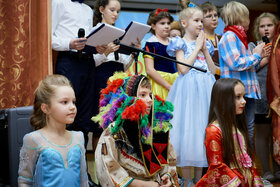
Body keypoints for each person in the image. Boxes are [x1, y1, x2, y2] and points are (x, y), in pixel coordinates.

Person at [93, 72, 179, 186]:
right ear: (128, 98)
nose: (149, 100)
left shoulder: (155, 129)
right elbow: (109, 170)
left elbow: (169, 162)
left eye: (150, 95)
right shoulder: (114, 132)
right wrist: (147, 185)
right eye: (143, 95)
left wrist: (166, 177)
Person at [166, 6, 217, 187]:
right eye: (196, 20)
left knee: (201, 132)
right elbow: (183, 69)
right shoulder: (179, 43)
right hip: (188, 93)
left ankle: (199, 179)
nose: (200, 24)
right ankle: (187, 180)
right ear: (184, 23)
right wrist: (196, 48)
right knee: (189, 132)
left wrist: (204, 50)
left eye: (201, 21)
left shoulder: (206, 45)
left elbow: (212, 70)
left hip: (206, 91)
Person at [18, 75, 88, 186]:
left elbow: (84, 180)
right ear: (45, 108)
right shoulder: (33, 139)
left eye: (73, 102)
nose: (72, 107)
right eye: (65, 102)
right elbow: (24, 181)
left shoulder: (79, 137)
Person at [91, 0, 141, 153]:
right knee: (100, 124)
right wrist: (106, 52)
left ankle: (115, 162)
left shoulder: (119, 33)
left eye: (118, 11)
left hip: (118, 79)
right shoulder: (94, 31)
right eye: (112, 10)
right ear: (101, 9)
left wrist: (134, 53)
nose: (115, 14)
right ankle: (99, 164)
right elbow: (90, 63)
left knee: (117, 121)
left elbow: (124, 65)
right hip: (101, 78)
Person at [218, 1, 270, 146]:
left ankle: (246, 165)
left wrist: (258, 56)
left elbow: (247, 65)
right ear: (240, 18)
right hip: (237, 93)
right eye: (247, 16)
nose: (249, 20)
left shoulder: (240, 38)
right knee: (239, 133)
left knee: (247, 132)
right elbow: (236, 63)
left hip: (247, 92)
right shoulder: (230, 37)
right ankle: (240, 166)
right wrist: (257, 56)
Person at [195, 78, 264, 186]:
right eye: (238, 97)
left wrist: (255, 179)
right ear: (223, 100)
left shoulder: (237, 126)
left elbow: (248, 157)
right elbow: (216, 166)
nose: (244, 101)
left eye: (243, 96)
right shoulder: (214, 130)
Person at [248, 12, 279, 183]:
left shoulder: (279, 46)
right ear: (257, 29)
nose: (266, 28)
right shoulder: (254, 46)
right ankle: (266, 171)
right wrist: (264, 59)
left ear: (276, 27)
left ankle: (278, 169)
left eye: (269, 25)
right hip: (260, 97)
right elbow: (248, 69)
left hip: (277, 97)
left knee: (277, 134)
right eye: (262, 26)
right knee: (262, 134)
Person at [143, 9, 178, 100]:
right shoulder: (151, 43)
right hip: (159, 84)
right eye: (162, 23)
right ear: (153, 26)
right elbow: (149, 70)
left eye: (168, 23)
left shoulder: (174, 43)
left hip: (175, 82)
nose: (166, 26)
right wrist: (168, 86)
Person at [200, 1, 221, 79]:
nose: (214, 18)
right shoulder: (200, 39)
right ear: (201, 20)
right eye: (209, 16)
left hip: (224, 77)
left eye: (215, 15)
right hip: (207, 77)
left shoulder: (222, 38)